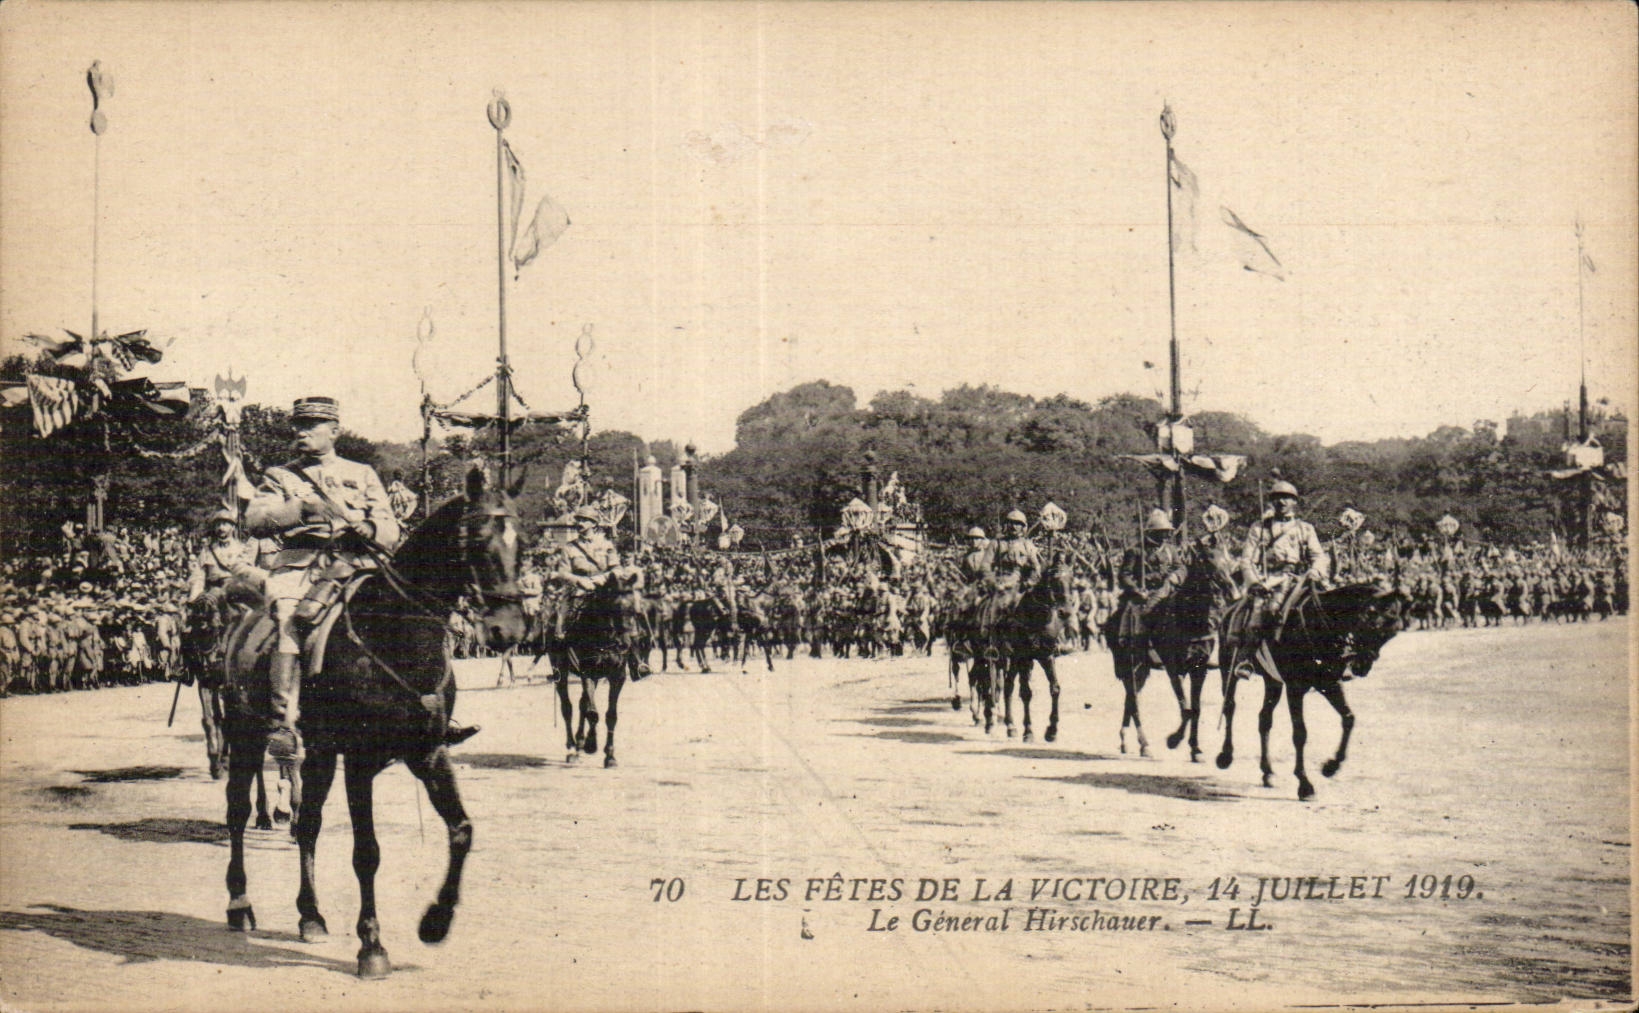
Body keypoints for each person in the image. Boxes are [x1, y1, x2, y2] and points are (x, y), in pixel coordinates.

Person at [246, 398, 473, 756]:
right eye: (299, 425)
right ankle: (283, 721)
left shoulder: (362, 473)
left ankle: (433, 706)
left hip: (358, 564)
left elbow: (389, 528)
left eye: (311, 426)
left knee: (416, 616)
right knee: (290, 619)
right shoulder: (279, 476)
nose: (301, 432)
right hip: (302, 566)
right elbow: (255, 520)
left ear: (334, 432)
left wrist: (367, 528)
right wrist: (300, 509)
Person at [1238, 480, 1329, 643]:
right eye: (1277, 497)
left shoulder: (1305, 528)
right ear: (1272, 501)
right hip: (1270, 581)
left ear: (1294, 501)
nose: (1281, 501)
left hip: (1299, 580)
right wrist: (1254, 583)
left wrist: (1315, 571)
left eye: (1286, 497)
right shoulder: (1259, 528)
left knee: (1327, 608)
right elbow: (1247, 560)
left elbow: (1318, 556)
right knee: (1257, 619)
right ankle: (1248, 662)